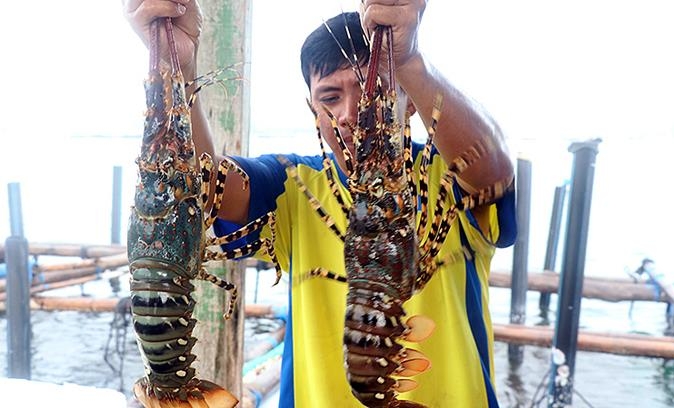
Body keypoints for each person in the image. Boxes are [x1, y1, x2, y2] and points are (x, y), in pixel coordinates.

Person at [123, 1, 516, 406]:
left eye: (371, 90)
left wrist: (410, 60)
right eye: (330, 97)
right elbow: (205, 185)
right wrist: (181, 66)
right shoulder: (295, 184)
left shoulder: (449, 176)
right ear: (312, 107)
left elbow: (494, 173)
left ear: (410, 99)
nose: (348, 114)